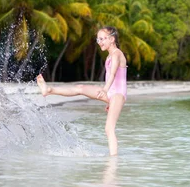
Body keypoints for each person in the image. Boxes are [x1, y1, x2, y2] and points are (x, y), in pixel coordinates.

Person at [36, 26, 127, 156]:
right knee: (81, 88)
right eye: (98, 39)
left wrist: (105, 91)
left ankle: (113, 162)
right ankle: (49, 89)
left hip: (118, 94)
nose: (99, 42)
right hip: (110, 94)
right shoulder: (109, 56)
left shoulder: (117, 53)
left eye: (102, 39)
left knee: (108, 128)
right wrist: (108, 99)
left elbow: (112, 74)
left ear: (112, 39)